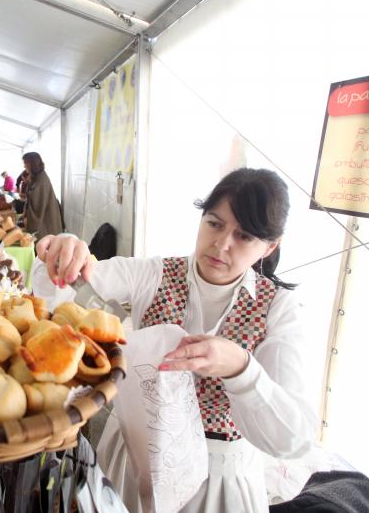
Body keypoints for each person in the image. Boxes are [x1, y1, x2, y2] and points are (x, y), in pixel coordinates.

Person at [33, 168, 317, 512]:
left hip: (217, 483)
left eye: (243, 236)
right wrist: (62, 252)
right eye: (214, 223)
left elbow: (294, 437)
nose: (221, 244)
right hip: (136, 458)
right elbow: (58, 295)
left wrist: (242, 370)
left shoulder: (278, 308)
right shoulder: (156, 274)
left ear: (270, 245)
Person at [22, 152, 63, 237]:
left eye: (25, 163)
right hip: (44, 221)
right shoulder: (38, 177)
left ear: (32, 164)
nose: (24, 166)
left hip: (46, 224)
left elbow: (37, 206)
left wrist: (28, 218)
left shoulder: (41, 180)